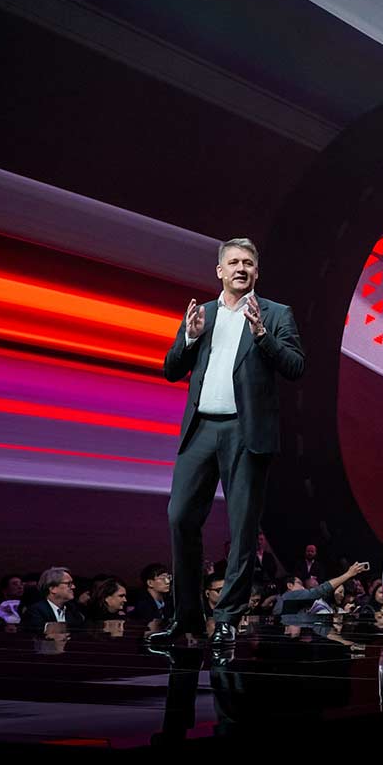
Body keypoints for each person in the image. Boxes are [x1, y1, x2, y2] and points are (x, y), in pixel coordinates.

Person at [153, 238, 305, 656]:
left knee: (242, 529)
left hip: (245, 432)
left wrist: (262, 336)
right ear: (219, 271)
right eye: (234, 262)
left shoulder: (275, 314)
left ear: (256, 271)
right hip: (201, 429)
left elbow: (296, 366)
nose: (241, 268)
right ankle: (186, 617)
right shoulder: (202, 314)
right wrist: (188, 338)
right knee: (180, 517)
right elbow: (171, 371)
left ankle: (227, 619)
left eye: (248, 263)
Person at [276, 562, 370, 620]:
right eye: (299, 584)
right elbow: (318, 592)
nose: (303, 588)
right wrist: (349, 574)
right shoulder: (287, 597)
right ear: (289, 585)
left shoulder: (292, 605)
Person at [21, 567, 84, 632]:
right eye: (69, 584)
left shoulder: (73, 610)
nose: (73, 587)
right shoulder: (35, 612)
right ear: (53, 588)